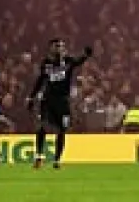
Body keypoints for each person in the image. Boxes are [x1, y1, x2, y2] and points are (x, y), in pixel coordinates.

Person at [29, 39, 92, 169]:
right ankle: (39, 156)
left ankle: (57, 160)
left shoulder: (68, 61)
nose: (60, 49)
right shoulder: (46, 63)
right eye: (57, 46)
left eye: (62, 46)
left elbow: (78, 61)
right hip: (47, 100)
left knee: (62, 130)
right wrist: (31, 97)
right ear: (51, 48)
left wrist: (86, 55)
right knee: (42, 126)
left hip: (63, 102)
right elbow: (40, 80)